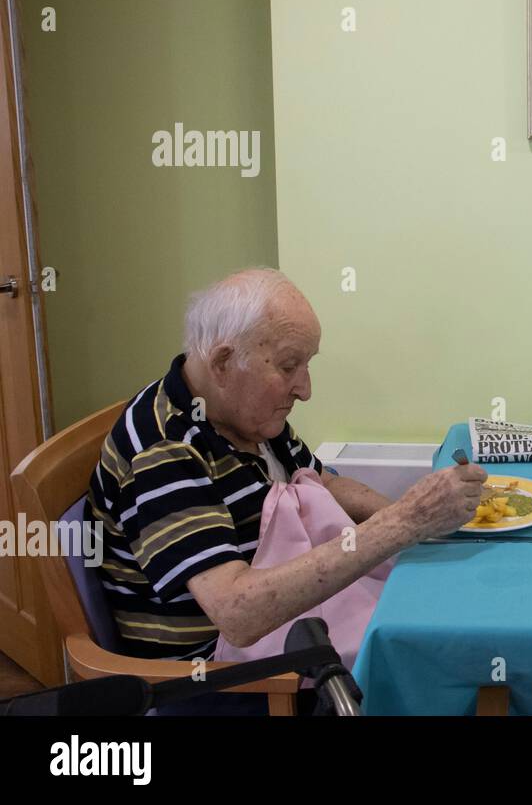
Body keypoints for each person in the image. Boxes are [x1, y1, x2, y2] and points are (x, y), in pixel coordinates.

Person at [87, 268, 486, 669]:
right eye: (288, 365)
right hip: (223, 676)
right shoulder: (164, 451)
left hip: (289, 625)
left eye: (306, 364)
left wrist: (427, 521)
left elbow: (323, 482)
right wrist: (404, 521)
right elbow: (238, 614)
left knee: (449, 612)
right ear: (224, 362)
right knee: (444, 656)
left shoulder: (244, 414)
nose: (305, 389)